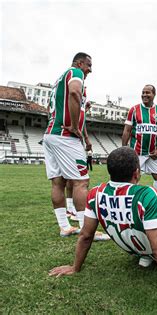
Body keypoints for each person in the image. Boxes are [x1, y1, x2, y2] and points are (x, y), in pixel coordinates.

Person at [49, 147, 157, 315]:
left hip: (138, 248)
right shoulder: (145, 194)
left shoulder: (95, 194)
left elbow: (86, 236)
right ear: (136, 173)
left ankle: (146, 257)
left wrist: (75, 267)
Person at [43, 52, 92, 237]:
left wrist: (85, 137)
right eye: (88, 65)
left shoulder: (58, 81)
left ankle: (64, 226)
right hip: (65, 136)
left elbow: (53, 108)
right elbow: (74, 92)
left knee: (58, 182)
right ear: (80, 63)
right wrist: (72, 125)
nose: (90, 70)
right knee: (81, 182)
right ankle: (85, 228)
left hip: (50, 134)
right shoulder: (75, 73)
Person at [122, 85, 157, 192]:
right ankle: (131, 198)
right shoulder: (134, 110)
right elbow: (127, 130)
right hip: (137, 152)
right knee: (133, 177)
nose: (144, 95)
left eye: (148, 92)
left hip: (153, 153)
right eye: (143, 92)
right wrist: (124, 150)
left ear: (154, 94)